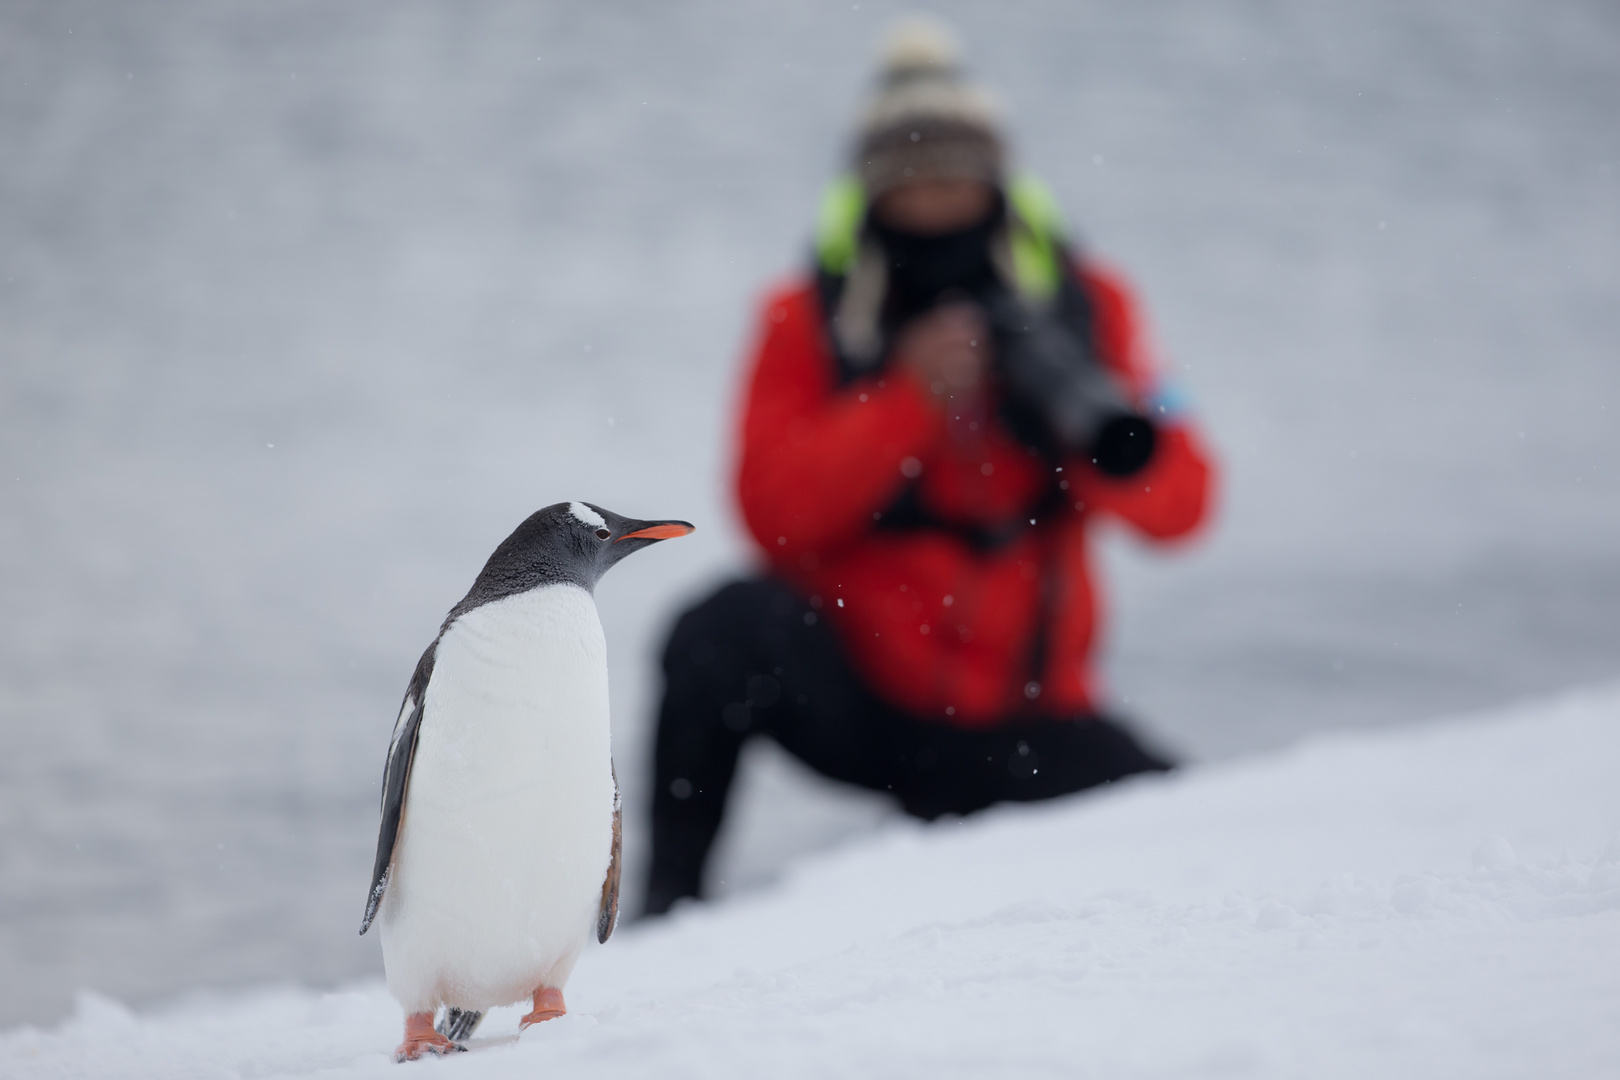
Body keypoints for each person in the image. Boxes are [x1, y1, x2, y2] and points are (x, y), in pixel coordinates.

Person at [643, 19, 1216, 916]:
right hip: (876, 710)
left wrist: (1077, 419)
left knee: (1212, 832)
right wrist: (907, 397)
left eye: (956, 176)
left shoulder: (1090, 308)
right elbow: (771, 516)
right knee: (716, 632)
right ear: (873, 194)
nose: (938, 202)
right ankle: (667, 910)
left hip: (1032, 726)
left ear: (996, 180)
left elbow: (1184, 508)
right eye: (913, 182)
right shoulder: (805, 320)